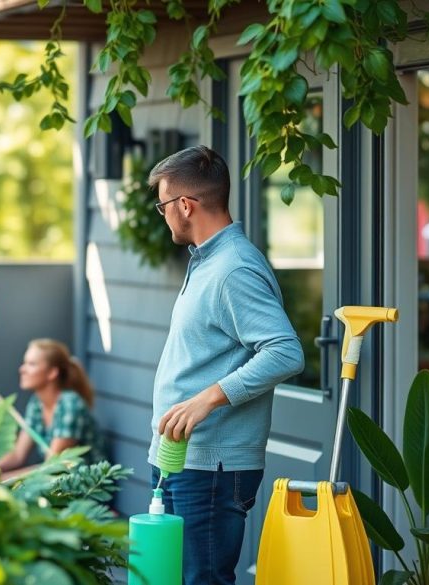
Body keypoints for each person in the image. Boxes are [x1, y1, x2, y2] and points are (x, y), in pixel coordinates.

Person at [148, 145, 305, 585]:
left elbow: (285, 352)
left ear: (185, 205)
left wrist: (207, 401)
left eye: (163, 205)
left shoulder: (234, 268)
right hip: (180, 457)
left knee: (205, 580)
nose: (162, 215)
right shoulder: (205, 261)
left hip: (212, 469)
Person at [0, 338, 104, 479]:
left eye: (31, 364)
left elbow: (52, 467)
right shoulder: (36, 403)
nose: (22, 369)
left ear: (52, 373)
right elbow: (18, 455)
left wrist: (1, 480)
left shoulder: (70, 404)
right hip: (56, 482)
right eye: (25, 363)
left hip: (84, 487)